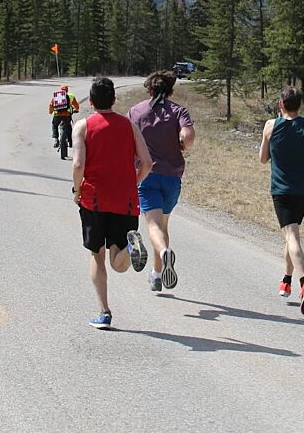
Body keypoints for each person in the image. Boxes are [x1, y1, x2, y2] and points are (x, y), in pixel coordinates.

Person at [71, 77, 153, 329]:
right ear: (114, 100)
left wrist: (77, 190)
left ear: (91, 101)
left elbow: (78, 165)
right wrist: (133, 182)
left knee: (97, 255)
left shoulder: (83, 126)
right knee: (118, 263)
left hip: (93, 200)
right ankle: (129, 247)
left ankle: (104, 312)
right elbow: (147, 163)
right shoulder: (130, 126)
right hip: (125, 200)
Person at [258, 85, 304, 316]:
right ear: (300, 105)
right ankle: (286, 280)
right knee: (292, 234)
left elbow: (262, 159)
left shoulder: (271, 125)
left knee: (291, 236)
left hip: (282, 190)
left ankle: (303, 281)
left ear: (281, 104)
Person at [128, 70, 196, 292]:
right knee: (163, 225)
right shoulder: (178, 111)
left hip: (146, 175)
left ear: (149, 90)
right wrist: (182, 144)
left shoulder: (136, 111)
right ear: (170, 91)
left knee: (153, 226)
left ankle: (165, 253)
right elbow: (188, 136)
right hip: (172, 177)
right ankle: (157, 274)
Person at [49, 83, 80, 149]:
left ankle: (56, 139)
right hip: (67, 115)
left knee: (54, 125)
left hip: (57, 115)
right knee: (68, 127)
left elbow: (51, 105)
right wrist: (76, 110)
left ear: (61, 90)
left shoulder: (56, 96)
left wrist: (51, 112)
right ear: (67, 90)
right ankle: (70, 141)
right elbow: (76, 106)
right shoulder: (71, 96)